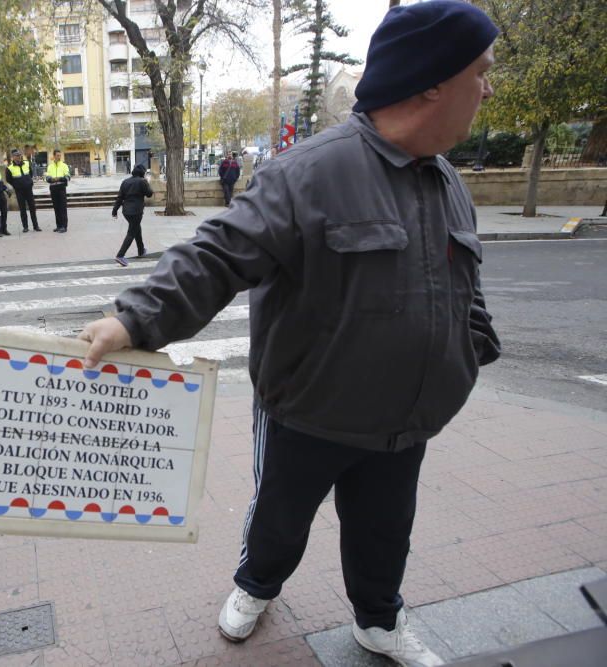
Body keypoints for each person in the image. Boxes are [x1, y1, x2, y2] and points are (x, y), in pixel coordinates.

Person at [79, 3, 501, 665]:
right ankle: (255, 585)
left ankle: (378, 620)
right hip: (309, 414)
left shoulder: (447, 181)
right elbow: (219, 253)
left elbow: (466, 287)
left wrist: (468, 352)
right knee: (280, 518)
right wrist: (135, 317)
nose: (489, 87)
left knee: (386, 530)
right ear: (431, 83)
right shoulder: (311, 171)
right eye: (481, 71)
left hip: (406, 421)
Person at [111, 164, 153, 267]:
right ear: (142, 172)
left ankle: (141, 250)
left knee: (136, 228)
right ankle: (120, 255)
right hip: (136, 211)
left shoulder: (125, 182)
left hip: (126, 212)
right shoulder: (142, 181)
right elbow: (149, 194)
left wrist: (114, 211)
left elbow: (120, 198)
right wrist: (147, 181)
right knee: (132, 232)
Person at [5, 149, 41, 232]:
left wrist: (29, 182)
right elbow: (9, 179)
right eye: (16, 156)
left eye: (19, 155)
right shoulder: (9, 168)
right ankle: (25, 227)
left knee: (32, 208)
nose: (18, 157)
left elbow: (30, 173)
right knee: (22, 209)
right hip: (19, 191)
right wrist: (16, 186)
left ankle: (36, 226)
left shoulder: (27, 163)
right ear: (13, 157)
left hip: (28, 189)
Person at [45, 149, 71, 232]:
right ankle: (58, 225)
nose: (59, 157)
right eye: (57, 155)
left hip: (61, 188)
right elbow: (47, 177)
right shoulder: (50, 166)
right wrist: (51, 179)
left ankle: (64, 226)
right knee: (56, 208)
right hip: (53, 189)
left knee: (62, 208)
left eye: (60, 155)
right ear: (54, 156)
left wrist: (60, 178)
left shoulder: (64, 165)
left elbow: (68, 177)